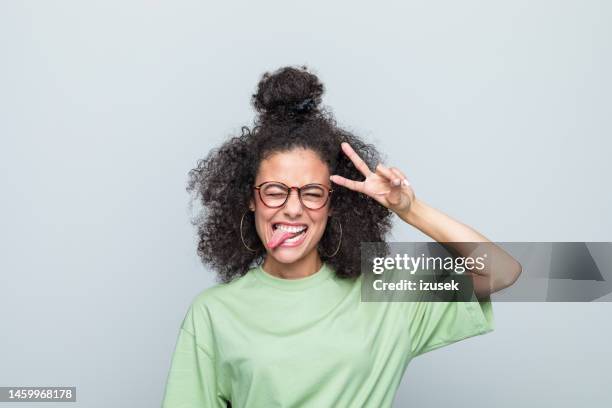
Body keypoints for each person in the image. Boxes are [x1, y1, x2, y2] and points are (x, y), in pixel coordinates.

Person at [161, 65, 522, 407]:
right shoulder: (213, 313)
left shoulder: (384, 291)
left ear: (333, 205)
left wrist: (409, 209)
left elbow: (504, 272)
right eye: (274, 191)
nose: (292, 208)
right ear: (251, 200)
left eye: (312, 192)